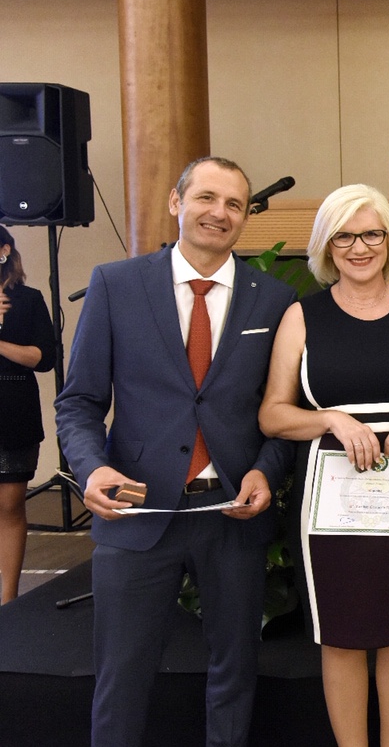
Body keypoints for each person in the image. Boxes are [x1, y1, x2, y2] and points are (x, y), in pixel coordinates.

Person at [55, 156, 296, 747]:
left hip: (231, 518)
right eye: (206, 198)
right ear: (176, 202)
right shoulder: (116, 284)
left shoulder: (277, 300)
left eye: (234, 204)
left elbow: (283, 412)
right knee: (122, 677)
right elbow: (78, 402)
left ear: (245, 218)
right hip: (136, 515)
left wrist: (267, 471)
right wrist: (91, 467)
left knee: (234, 672)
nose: (219, 213)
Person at [258, 184, 389, 747]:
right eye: (344, 236)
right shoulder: (302, 317)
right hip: (330, 501)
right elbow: (273, 414)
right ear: (326, 245)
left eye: (371, 233)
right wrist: (330, 420)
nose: (359, 247)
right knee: (339, 635)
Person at [0, 225, 56, 605]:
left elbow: (44, 358)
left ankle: (9, 600)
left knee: (9, 505)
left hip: (13, 411)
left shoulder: (29, 299)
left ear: (4, 250)